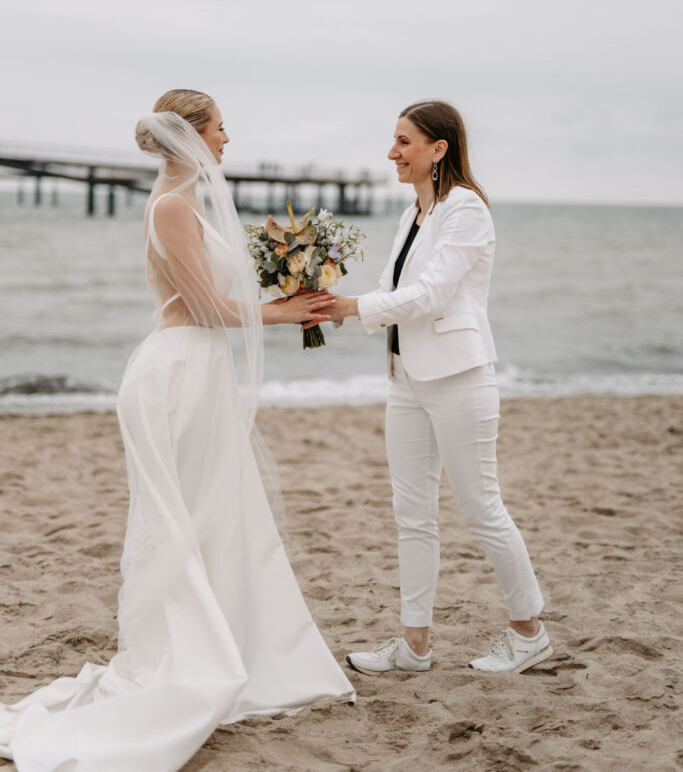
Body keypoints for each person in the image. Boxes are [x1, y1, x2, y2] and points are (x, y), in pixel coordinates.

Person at [0, 90, 354, 772]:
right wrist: (288, 312)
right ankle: (195, 658)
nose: (228, 138)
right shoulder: (171, 205)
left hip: (197, 371)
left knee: (219, 515)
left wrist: (285, 301)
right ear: (191, 134)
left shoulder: (183, 201)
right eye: (220, 127)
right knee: (188, 519)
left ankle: (241, 647)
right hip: (178, 375)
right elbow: (208, 309)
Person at [327, 100, 552, 675]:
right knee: (412, 514)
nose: (392, 153)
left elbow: (429, 295)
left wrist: (355, 306)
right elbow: (389, 291)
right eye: (394, 141)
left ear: (438, 149)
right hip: (406, 380)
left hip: (459, 379)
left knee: (480, 508)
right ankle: (414, 644)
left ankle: (529, 632)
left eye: (404, 142)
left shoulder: (466, 210)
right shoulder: (413, 217)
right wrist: (331, 308)